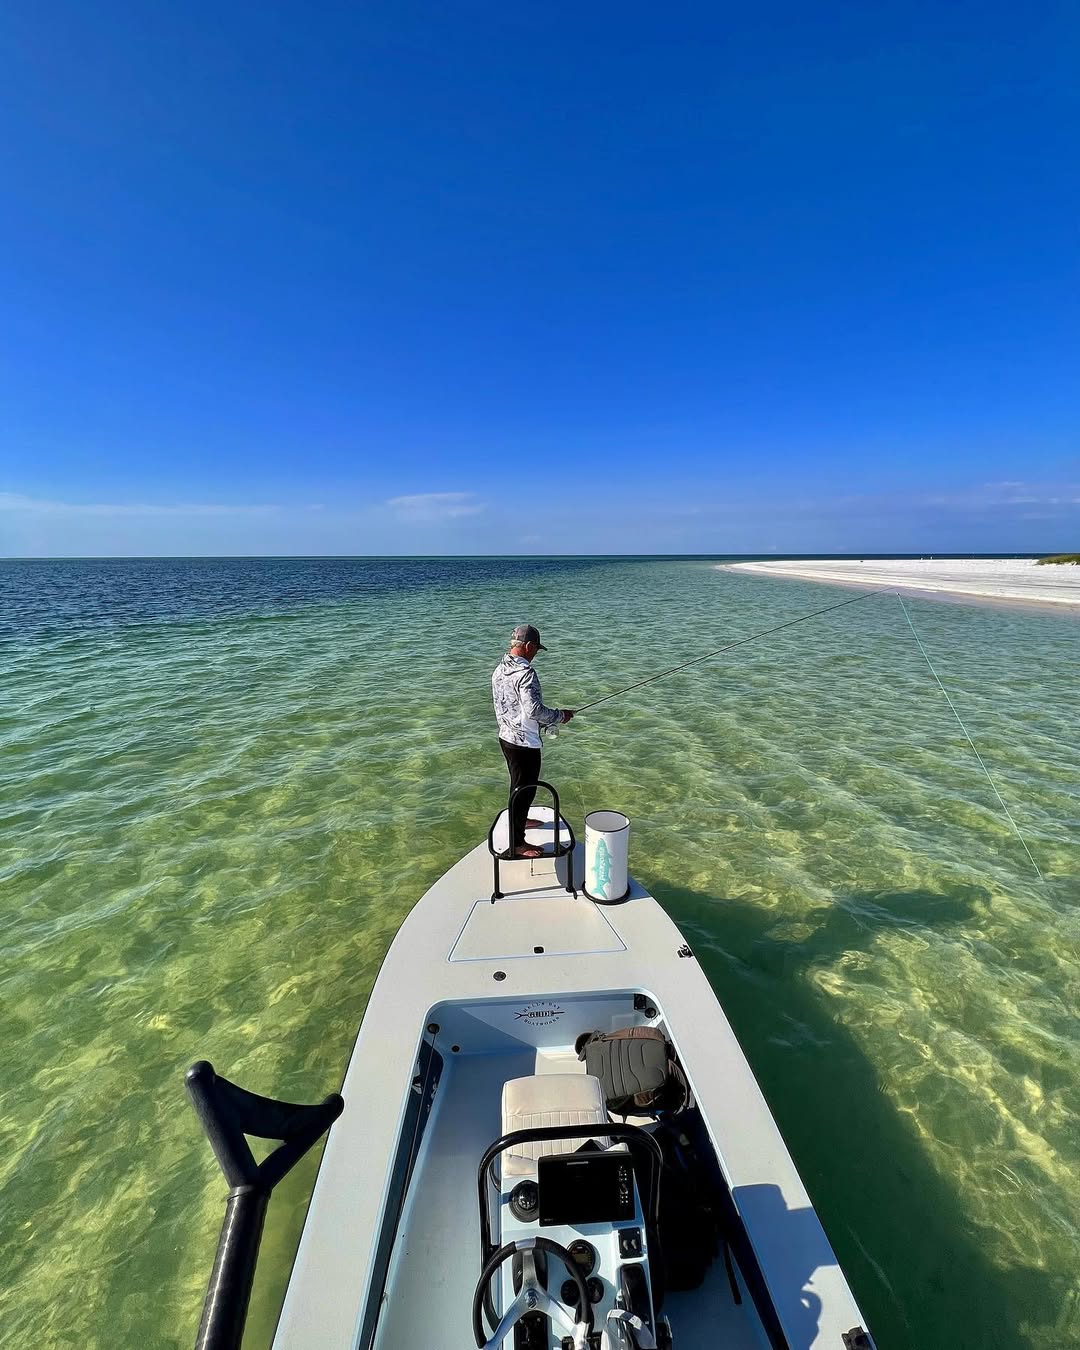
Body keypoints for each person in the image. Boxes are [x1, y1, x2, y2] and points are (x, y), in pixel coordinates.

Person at [491, 623, 574, 858]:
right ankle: (517, 844)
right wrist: (560, 715)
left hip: (506, 738)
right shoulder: (525, 673)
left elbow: (512, 706)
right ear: (527, 646)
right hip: (524, 744)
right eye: (536, 648)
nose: (536, 653)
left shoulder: (499, 669)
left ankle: (522, 819)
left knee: (517, 786)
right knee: (525, 789)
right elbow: (534, 710)